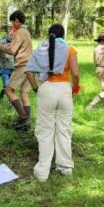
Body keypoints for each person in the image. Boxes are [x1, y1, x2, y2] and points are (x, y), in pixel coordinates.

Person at [24, 24, 80, 182]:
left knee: (45, 130)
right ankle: (65, 168)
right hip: (64, 89)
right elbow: (75, 73)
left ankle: (42, 171)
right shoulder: (70, 49)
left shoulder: (41, 48)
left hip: (46, 89)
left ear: (49, 35)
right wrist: (75, 88)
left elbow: (28, 70)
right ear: (64, 35)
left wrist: (36, 87)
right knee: (64, 129)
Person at [0, 10, 33, 131]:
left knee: (9, 90)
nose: (12, 25)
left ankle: (23, 117)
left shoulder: (19, 32)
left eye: (12, 22)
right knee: (24, 93)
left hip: (22, 65)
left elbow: (12, 51)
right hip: (31, 65)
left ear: (16, 20)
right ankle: (25, 122)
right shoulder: (26, 31)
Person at [0, 36, 14, 105]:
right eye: (7, 42)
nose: (8, 44)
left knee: (9, 86)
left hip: (13, 70)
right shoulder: (0, 49)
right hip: (4, 69)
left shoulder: (14, 47)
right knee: (6, 85)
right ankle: (10, 102)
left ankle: (0, 98)